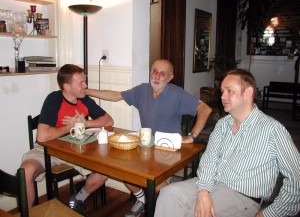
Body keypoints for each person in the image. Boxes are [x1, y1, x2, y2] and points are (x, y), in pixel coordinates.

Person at [154, 69, 300, 217]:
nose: (223, 96)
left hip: (242, 197)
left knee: (191, 213)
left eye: (229, 91)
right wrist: (204, 191)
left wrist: (270, 213)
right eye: (222, 91)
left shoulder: (272, 130)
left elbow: (297, 179)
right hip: (209, 184)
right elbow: (209, 159)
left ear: (248, 93)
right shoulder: (223, 124)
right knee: (168, 194)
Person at [86, 59, 212, 217]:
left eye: (162, 73)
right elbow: (116, 96)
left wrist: (192, 136)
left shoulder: (177, 93)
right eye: (154, 71)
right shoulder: (142, 90)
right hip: (146, 146)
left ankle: (174, 208)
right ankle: (144, 201)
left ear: (170, 77)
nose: (157, 76)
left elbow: (205, 109)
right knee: (125, 173)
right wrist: (87, 91)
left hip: (168, 149)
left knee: (159, 186)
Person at [20, 64, 114, 213]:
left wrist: (85, 123)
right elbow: (42, 136)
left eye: (85, 81)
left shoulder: (84, 99)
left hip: (79, 150)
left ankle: (78, 198)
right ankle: (27, 213)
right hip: (50, 150)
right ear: (67, 87)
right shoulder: (54, 99)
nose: (86, 86)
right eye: (81, 83)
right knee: (25, 171)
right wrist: (70, 126)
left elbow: (109, 120)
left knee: (109, 168)